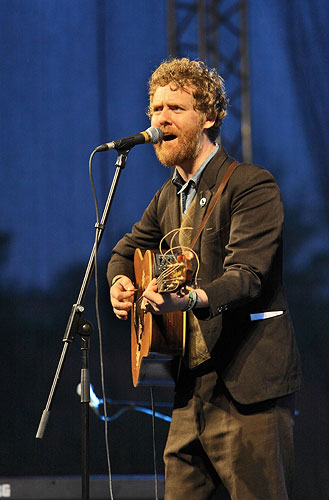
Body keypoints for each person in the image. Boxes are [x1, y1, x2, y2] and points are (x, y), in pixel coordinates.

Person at [107, 57, 301, 500]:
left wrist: (188, 299)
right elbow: (123, 250)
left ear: (209, 116)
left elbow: (248, 275)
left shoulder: (250, 185)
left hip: (248, 390)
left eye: (174, 108)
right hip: (189, 393)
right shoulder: (166, 198)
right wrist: (120, 282)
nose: (160, 120)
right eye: (155, 110)